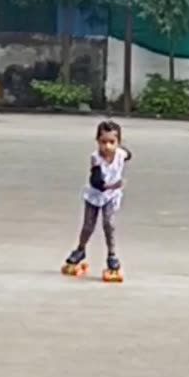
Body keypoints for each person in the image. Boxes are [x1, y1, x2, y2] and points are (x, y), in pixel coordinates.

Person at [62, 120, 133, 282]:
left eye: (112, 142)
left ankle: (112, 255)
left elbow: (128, 155)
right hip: (95, 194)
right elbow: (97, 183)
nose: (107, 146)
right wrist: (116, 184)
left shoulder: (121, 154)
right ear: (97, 142)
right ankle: (80, 249)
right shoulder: (95, 158)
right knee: (88, 225)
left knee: (109, 224)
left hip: (111, 196)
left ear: (118, 143)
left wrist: (124, 153)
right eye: (103, 142)